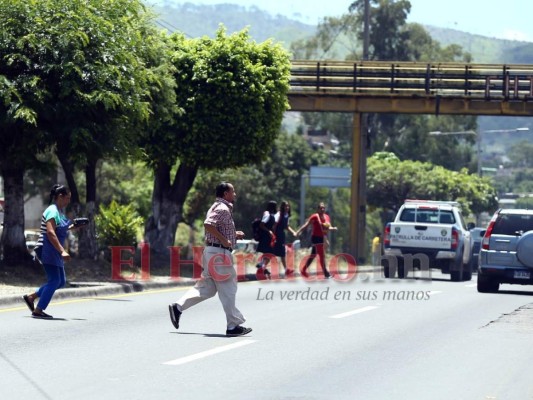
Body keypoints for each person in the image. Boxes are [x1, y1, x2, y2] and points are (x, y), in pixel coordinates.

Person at [168, 182, 252, 337]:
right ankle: (233, 326)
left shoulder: (216, 206)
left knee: (208, 288)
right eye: (233, 192)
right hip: (219, 254)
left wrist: (233, 235)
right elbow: (208, 225)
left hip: (212, 252)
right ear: (226, 193)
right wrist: (224, 240)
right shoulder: (222, 208)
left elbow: (215, 227)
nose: (235, 195)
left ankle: (178, 307)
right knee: (228, 288)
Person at [22, 184, 78, 319]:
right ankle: (38, 310)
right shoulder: (52, 210)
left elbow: (60, 228)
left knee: (60, 281)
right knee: (54, 280)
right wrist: (62, 251)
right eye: (67, 198)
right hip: (47, 248)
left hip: (54, 249)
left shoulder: (59, 212)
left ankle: (31, 297)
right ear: (60, 197)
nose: (68, 201)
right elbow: (50, 232)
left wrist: (74, 226)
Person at [296, 202, 337, 279]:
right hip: (315, 238)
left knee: (314, 255)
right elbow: (306, 224)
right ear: (317, 209)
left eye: (323, 208)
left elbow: (329, 227)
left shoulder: (327, 217)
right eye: (320, 208)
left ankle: (303, 269)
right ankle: (326, 274)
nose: (322, 209)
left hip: (321, 237)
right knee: (321, 255)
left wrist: (333, 228)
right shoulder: (315, 216)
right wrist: (298, 232)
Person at [272, 200, 297, 277]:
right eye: (285, 206)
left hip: (282, 235)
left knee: (281, 253)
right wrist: (273, 235)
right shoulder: (279, 214)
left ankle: (286, 270)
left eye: (288, 206)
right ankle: (262, 266)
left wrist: (293, 232)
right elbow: (274, 225)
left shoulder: (286, 215)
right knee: (274, 252)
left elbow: (287, 226)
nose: (287, 207)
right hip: (277, 235)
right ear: (282, 207)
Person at [255, 200, 278, 279]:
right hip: (265, 236)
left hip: (269, 237)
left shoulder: (272, 215)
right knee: (269, 253)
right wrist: (269, 231)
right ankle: (262, 265)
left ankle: (262, 266)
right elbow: (262, 225)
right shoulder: (267, 214)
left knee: (269, 253)